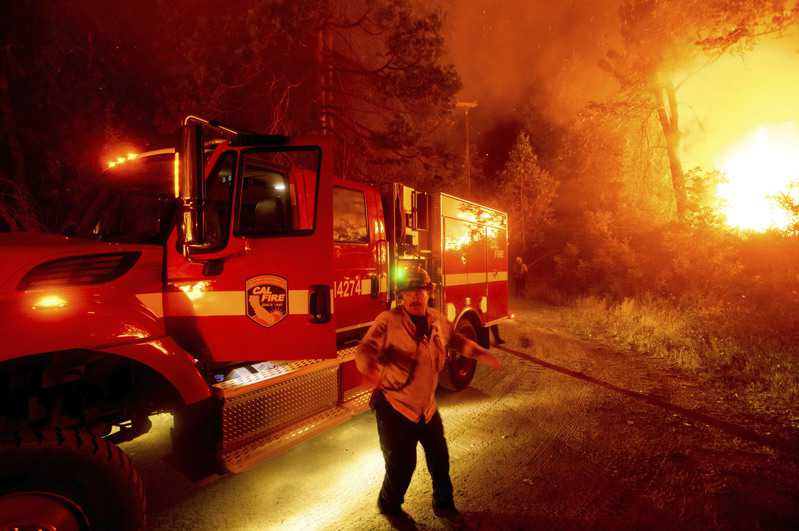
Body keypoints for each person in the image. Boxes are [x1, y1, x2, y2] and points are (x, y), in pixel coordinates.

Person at [355, 266, 501, 522]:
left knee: (440, 459)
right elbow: (366, 349)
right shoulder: (387, 321)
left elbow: (455, 340)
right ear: (401, 297)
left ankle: (444, 504)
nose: (413, 297)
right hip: (394, 407)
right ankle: (389, 504)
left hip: (427, 408)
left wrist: (481, 353)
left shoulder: (436, 319)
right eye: (407, 292)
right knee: (402, 466)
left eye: (418, 291)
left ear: (429, 292)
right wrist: (369, 367)